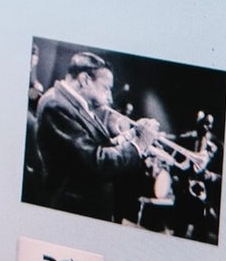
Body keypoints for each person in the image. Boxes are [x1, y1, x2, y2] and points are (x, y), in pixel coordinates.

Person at [34, 52, 159, 222]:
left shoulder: (71, 103)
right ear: (84, 79)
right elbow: (96, 161)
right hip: (73, 210)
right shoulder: (56, 104)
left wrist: (130, 136)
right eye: (105, 87)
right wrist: (138, 145)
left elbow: (96, 147)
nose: (108, 95)